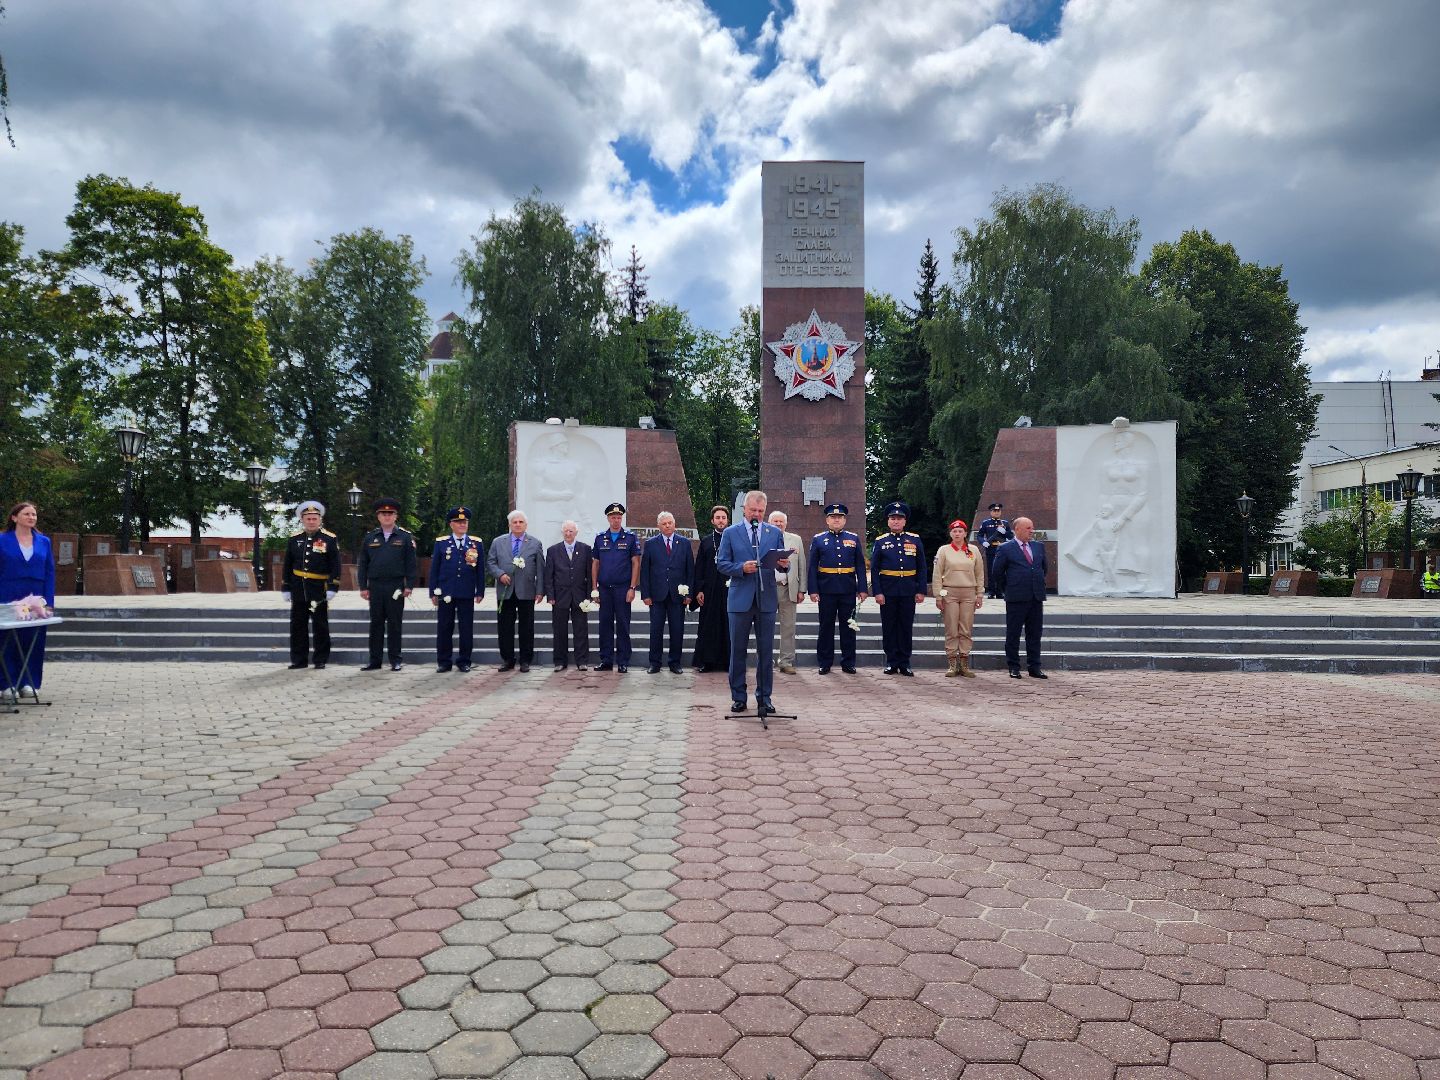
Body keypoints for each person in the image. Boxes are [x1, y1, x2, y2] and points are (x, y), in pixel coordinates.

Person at [717, 490, 789, 717]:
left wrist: (784, 565)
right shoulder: (730, 533)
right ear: (744, 510)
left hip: (766, 598)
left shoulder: (773, 532)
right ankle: (738, 697)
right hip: (740, 600)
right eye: (753, 511)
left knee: (766, 652)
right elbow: (721, 563)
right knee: (738, 651)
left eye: (761, 511)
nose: (756, 514)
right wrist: (740, 569)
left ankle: (764, 697)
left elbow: (780, 564)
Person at [0, 502, 55, 696]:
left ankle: (29, 682)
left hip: (36, 597)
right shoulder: (2, 540)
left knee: (33, 639)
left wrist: (48, 601)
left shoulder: (43, 542)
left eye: (34, 514)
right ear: (14, 517)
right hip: (8, 594)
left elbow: (49, 572)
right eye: (27, 514)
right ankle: (7, 684)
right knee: (8, 638)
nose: (31, 517)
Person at [357, 497, 418, 671]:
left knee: (394, 624)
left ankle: (395, 660)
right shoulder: (370, 538)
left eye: (390, 513)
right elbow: (363, 565)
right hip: (375, 586)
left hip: (395, 586)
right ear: (378, 517)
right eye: (383, 514)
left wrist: (409, 586)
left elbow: (411, 564)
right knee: (375, 624)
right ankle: (374, 660)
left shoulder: (405, 538)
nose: (387, 517)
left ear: (395, 516)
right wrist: (363, 587)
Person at [807, 502, 868, 675]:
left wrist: (862, 588)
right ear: (827, 520)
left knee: (848, 627)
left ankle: (848, 662)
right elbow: (812, 567)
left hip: (848, 589)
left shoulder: (853, 538)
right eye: (833, 517)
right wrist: (813, 590)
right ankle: (825, 663)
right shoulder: (818, 539)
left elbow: (860, 566)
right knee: (825, 627)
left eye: (839, 517)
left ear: (844, 520)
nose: (836, 520)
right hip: (826, 589)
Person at [281, 500, 342, 670]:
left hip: (318, 588)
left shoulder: (329, 539)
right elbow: (288, 565)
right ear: (302, 520)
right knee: (298, 625)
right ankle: (299, 660)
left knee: (320, 625)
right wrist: (285, 587)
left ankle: (320, 659)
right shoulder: (295, 539)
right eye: (308, 518)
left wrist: (333, 586)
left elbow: (335, 565)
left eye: (314, 518)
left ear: (320, 519)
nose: (311, 521)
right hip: (299, 588)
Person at [870, 500, 928, 676]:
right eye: (892, 518)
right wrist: (877, 592)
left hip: (908, 590)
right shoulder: (881, 541)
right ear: (888, 521)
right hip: (888, 591)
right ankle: (891, 661)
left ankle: (905, 662)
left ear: (905, 521)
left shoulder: (914, 539)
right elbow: (874, 569)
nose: (896, 521)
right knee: (889, 626)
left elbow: (922, 567)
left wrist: (921, 590)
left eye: (899, 518)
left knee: (905, 626)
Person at [989, 515, 1048, 680]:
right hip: (1016, 597)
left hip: (1036, 597)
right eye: (1028, 528)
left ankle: (1034, 667)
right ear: (1017, 530)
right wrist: (1008, 589)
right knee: (1013, 634)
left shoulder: (1038, 547)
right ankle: (1014, 667)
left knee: (1035, 634)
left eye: (1032, 527)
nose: (1032, 531)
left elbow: (1044, 569)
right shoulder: (1005, 548)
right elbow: (997, 573)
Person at [428, 506, 485, 673]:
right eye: (458, 522)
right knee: (444, 627)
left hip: (466, 592)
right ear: (451, 524)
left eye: (465, 522)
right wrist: (433, 591)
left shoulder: (476, 543)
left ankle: (464, 660)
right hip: (446, 592)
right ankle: (444, 661)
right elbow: (435, 569)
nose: (462, 525)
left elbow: (480, 569)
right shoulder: (441, 543)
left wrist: (480, 590)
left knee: (466, 628)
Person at [487, 509, 544, 673]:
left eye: (521, 522)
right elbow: (491, 562)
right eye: (514, 522)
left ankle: (525, 660)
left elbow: (540, 569)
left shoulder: (535, 543)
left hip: (526, 591)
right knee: (505, 627)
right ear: (509, 524)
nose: (517, 525)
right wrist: (500, 574)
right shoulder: (498, 542)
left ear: (526, 525)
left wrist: (540, 590)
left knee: (526, 627)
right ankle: (507, 659)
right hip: (505, 591)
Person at [640, 511, 695, 674]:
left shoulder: (684, 543)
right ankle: (654, 663)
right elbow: (645, 571)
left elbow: (690, 570)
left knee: (677, 629)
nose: (667, 525)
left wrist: (689, 594)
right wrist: (645, 594)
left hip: (678, 596)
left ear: (674, 524)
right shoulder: (651, 544)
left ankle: (674, 663)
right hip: (656, 595)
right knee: (656, 630)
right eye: (664, 523)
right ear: (658, 526)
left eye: (670, 522)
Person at [591, 502, 640, 673]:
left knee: (623, 626)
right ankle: (606, 660)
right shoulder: (599, 538)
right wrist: (594, 588)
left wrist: (632, 587)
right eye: (613, 517)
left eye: (619, 517)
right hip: (604, 589)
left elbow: (635, 563)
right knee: (604, 625)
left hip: (622, 589)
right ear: (608, 518)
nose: (616, 520)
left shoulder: (630, 537)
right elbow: (595, 564)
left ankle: (623, 661)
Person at [932, 518, 985, 678]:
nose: (957, 533)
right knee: (951, 628)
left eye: (960, 531)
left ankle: (964, 662)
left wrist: (980, 594)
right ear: (950, 533)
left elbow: (980, 573)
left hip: (969, 592)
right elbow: (936, 573)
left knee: (966, 628)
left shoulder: (973, 550)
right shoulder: (944, 550)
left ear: (965, 533)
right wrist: (937, 595)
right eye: (954, 531)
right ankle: (952, 663)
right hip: (950, 593)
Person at [544, 520, 592, 671]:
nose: (568, 533)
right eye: (565, 531)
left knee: (581, 630)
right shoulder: (553, 550)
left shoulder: (585, 549)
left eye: (571, 531)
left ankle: (582, 661)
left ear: (576, 533)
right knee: (559, 630)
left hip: (580, 597)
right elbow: (548, 575)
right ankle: (560, 661)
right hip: (559, 597)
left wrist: (589, 596)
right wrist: (550, 595)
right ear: (562, 532)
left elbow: (589, 574)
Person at [690, 506, 731, 672]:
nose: (721, 520)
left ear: (727, 520)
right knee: (708, 625)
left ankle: (728, 662)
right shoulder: (706, 541)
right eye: (718, 517)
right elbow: (699, 567)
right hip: (709, 590)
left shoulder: (733, 538)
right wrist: (699, 590)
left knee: (728, 625)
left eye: (723, 517)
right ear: (712, 521)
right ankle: (706, 661)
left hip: (729, 589)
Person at [767, 509, 807, 675]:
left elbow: (802, 565)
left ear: (786, 523)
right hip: (768, 589)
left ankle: (786, 661)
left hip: (788, 588)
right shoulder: (763, 538)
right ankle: (766, 661)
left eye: (781, 521)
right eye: (775, 521)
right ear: (769, 523)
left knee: (789, 627)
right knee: (766, 627)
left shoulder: (795, 540)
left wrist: (802, 590)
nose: (778, 524)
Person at [975, 503, 1010, 599]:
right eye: (994, 511)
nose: (996, 512)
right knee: (991, 571)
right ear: (991, 512)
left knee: (1001, 571)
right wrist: (983, 542)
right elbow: (980, 535)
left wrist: (1005, 532)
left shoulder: (1005, 523)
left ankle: (1000, 591)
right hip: (991, 549)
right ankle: (991, 591)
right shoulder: (986, 523)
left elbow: (1011, 536)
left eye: (998, 511)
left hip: (1002, 550)